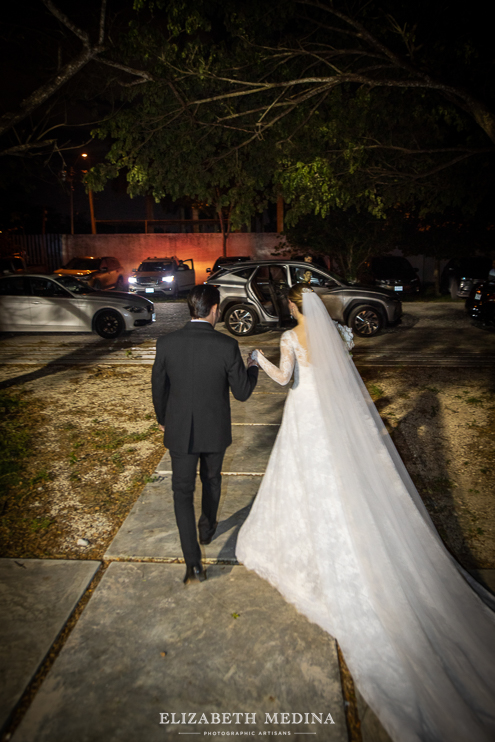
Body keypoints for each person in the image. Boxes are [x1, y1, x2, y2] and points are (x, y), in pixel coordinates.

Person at [236, 283, 495, 742]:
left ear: (295, 307)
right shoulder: (337, 332)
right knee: (343, 474)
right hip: (337, 417)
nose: (289, 308)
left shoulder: (291, 338)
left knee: (305, 474)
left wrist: (257, 361)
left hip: (306, 416)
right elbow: (343, 370)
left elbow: (283, 380)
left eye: (289, 304)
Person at [152, 284, 259, 584]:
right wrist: (252, 368)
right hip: (214, 431)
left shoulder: (167, 343)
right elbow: (242, 393)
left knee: (181, 492)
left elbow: (158, 388)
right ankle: (207, 529)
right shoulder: (226, 345)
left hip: (180, 431)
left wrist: (163, 419)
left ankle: (193, 564)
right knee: (211, 479)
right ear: (214, 310)